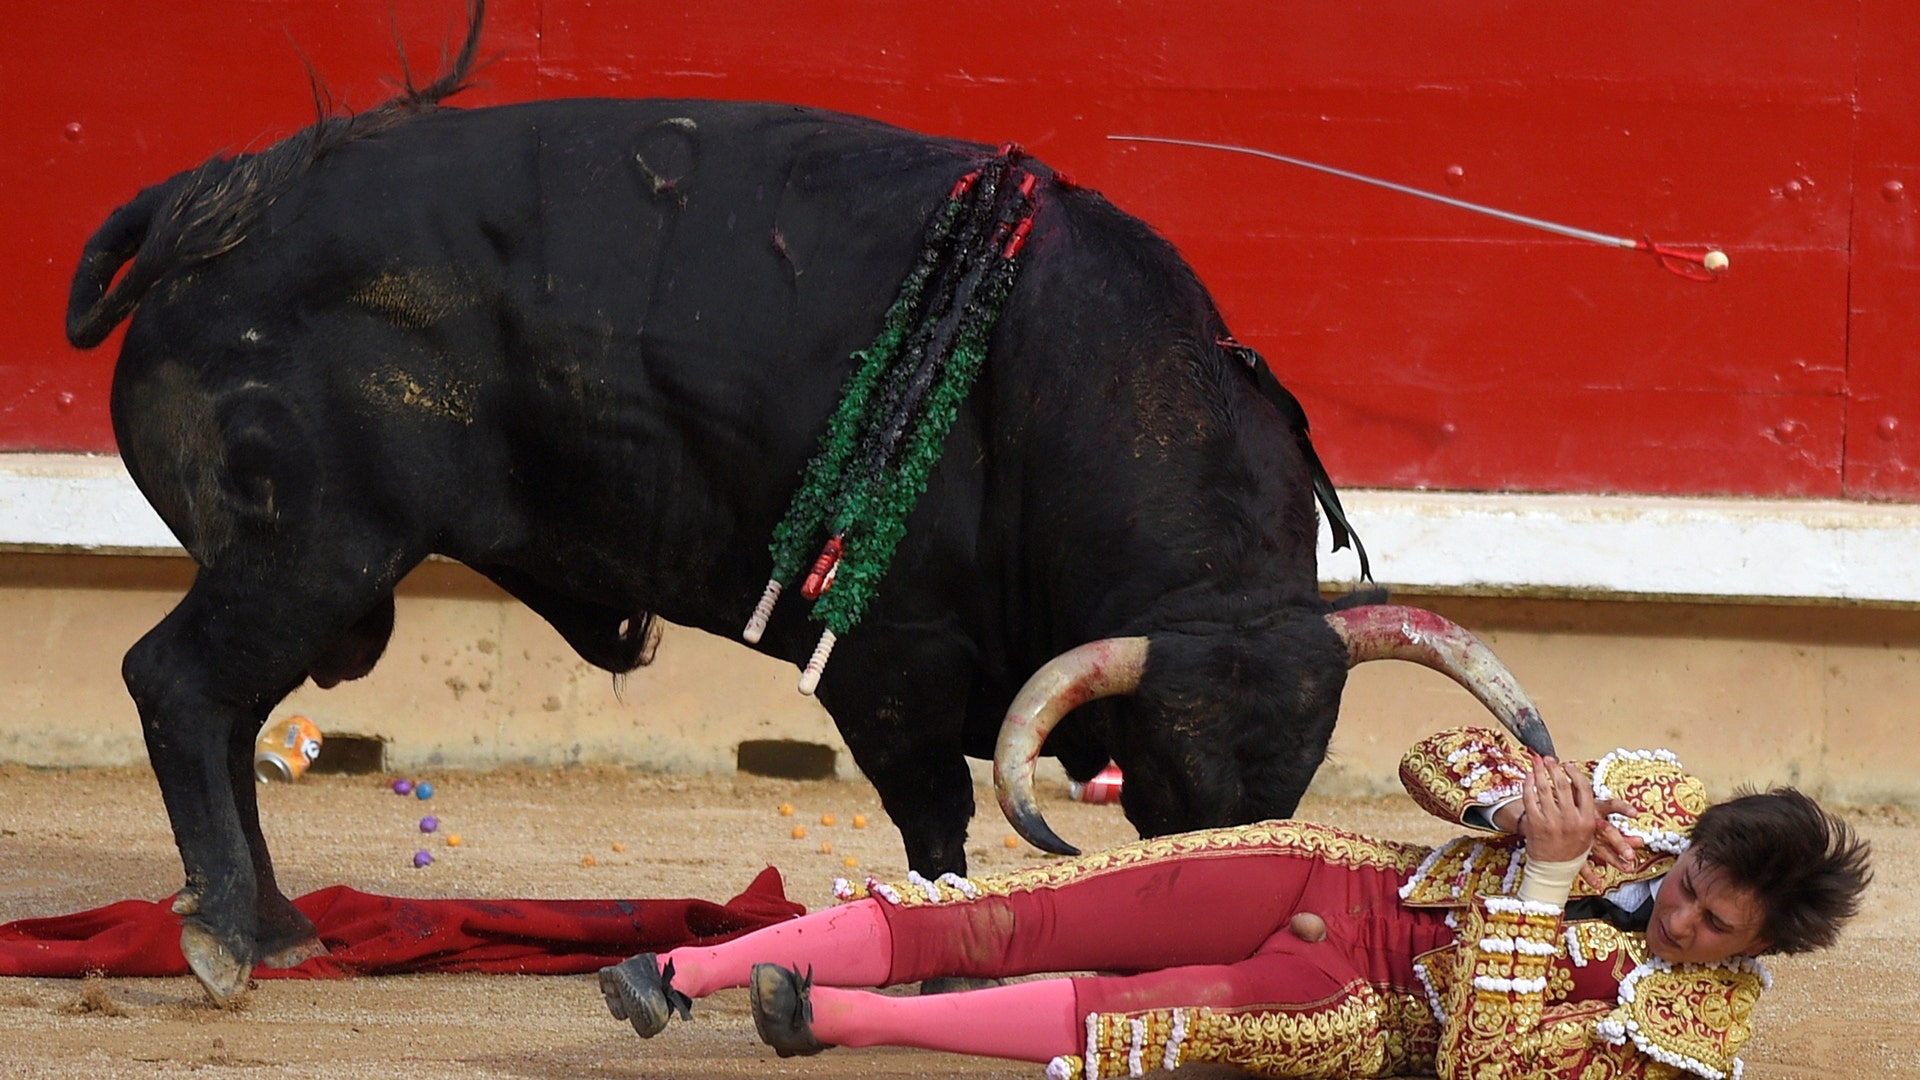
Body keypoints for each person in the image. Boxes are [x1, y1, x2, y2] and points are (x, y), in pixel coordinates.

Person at [596, 726, 1871, 1079]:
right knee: (1027, 914)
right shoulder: (1647, 796)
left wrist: (1541, 878)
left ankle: (826, 1019)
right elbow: (1436, 753)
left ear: (1759, 950)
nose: (1681, 923)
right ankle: (683, 977)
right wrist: (1506, 810)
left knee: (1115, 1017)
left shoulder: (1696, 1035)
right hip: (1331, 876)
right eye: (1694, 892)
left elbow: (1490, 1072)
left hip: (1345, 1006)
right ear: (1696, 844)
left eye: (1714, 929)